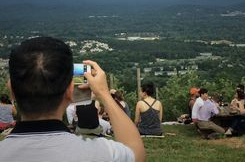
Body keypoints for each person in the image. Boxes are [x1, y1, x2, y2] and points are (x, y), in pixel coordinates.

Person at [0, 37, 145, 162]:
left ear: (11, 90)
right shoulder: (101, 154)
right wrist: (104, 94)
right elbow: (136, 153)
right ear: (70, 91)